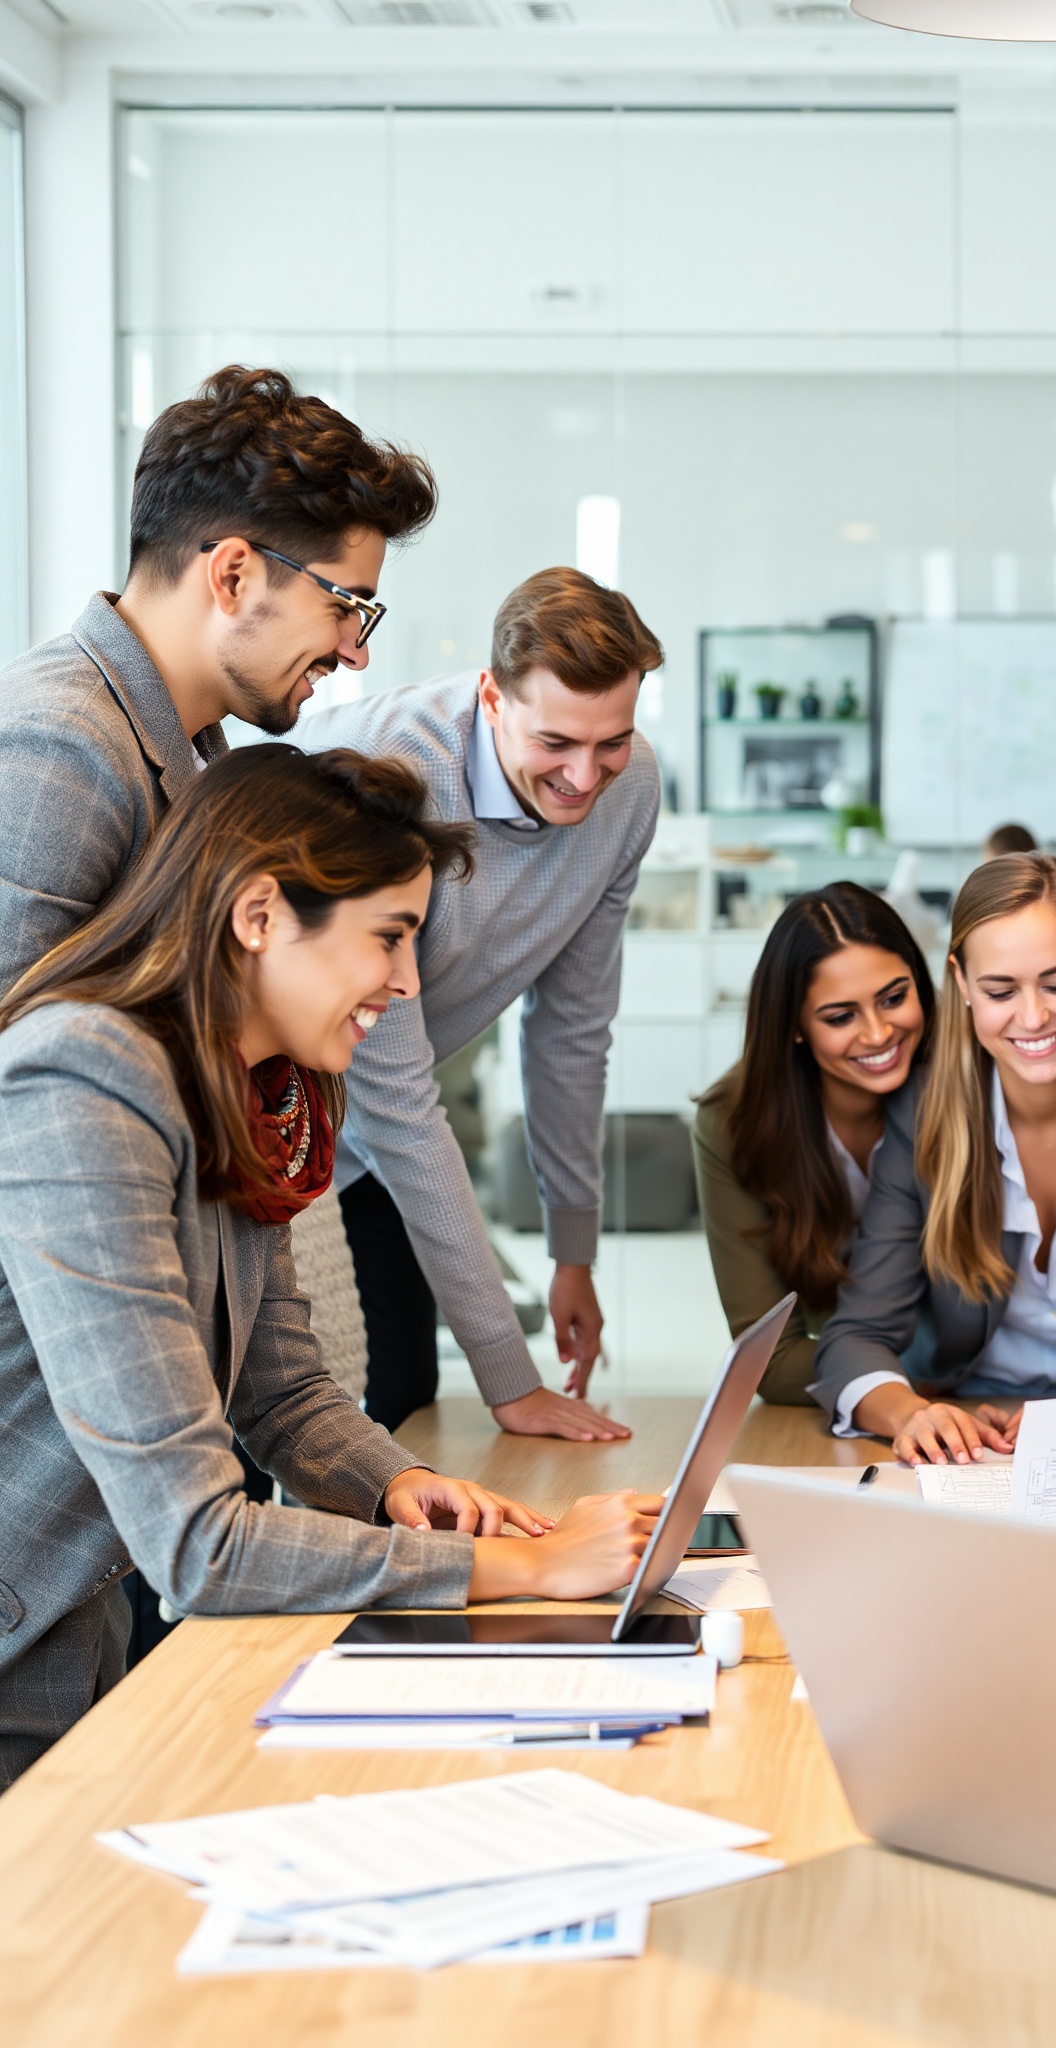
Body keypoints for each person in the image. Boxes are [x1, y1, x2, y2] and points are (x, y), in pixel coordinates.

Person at [0, 748, 661, 1787]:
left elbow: (286, 1390)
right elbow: (199, 1543)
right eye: (390, 937)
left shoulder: (251, 1087)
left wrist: (398, 1481)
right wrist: (516, 1565)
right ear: (259, 912)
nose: (407, 981)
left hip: (73, 1637)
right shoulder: (84, 1080)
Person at [302, 568, 663, 1444]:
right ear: (491, 696)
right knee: (270, 1410)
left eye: (611, 740)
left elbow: (573, 1029)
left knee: (401, 1393)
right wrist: (511, 1376)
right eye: (556, 743)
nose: (586, 777)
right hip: (264, 1111)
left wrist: (571, 1251)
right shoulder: (390, 773)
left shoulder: (630, 789)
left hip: (376, 1122)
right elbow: (399, 1101)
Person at [0, 363, 435, 993]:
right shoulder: (65, 748)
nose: (354, 652)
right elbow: (16, 1058)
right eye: (345, 606)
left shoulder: (186, 740)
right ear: (232, 576)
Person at [811, 852, 1056, 1464]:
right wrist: (914, 1416)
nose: (1033, 1017)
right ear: (962, 983)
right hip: (970, 1433)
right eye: (1001, 990)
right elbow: (855, 1338)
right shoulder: (920, 1112)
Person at [694, 883, 935, 1406]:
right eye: (840, 1017)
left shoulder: (972, 1090)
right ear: (796, 1026)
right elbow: (771, 1361)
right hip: (891, 1407)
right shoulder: (734, 1123)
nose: (877, 1034)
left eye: (894, 998)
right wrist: (891, 1387)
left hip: (998, 1403)